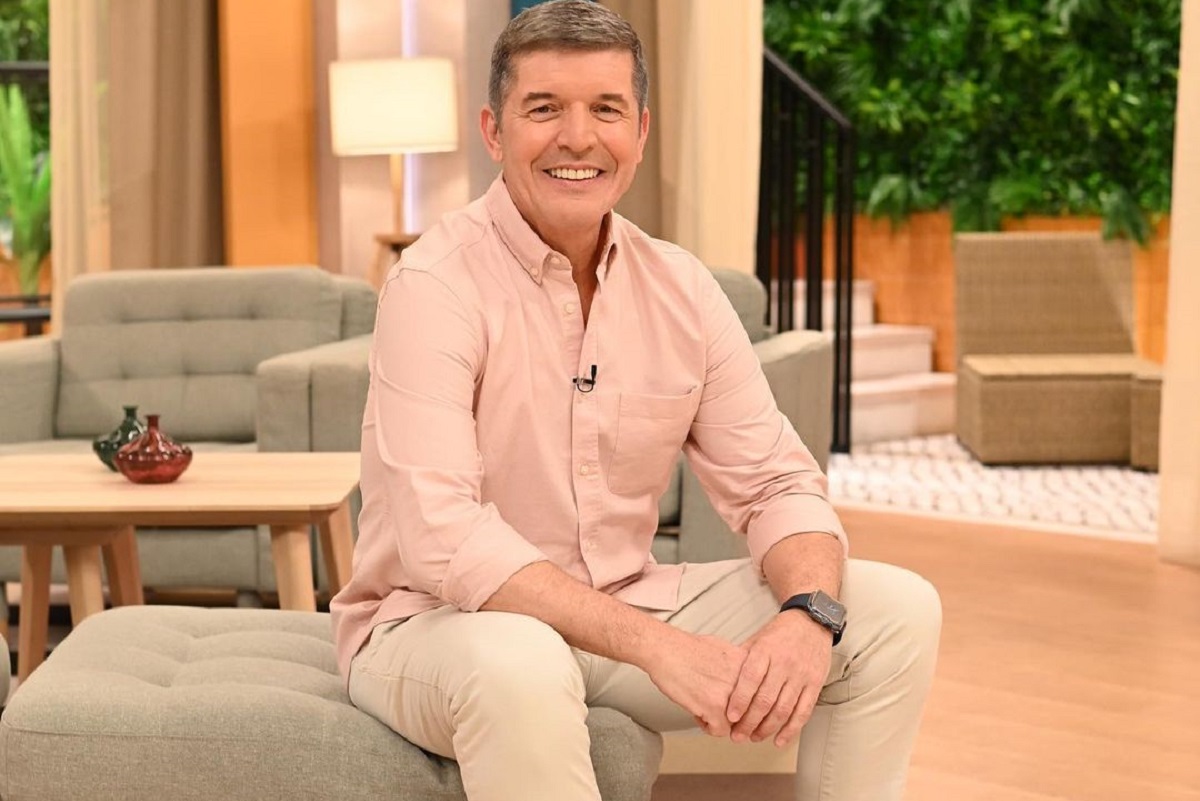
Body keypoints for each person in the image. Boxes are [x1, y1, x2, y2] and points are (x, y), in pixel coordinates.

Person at [330, 2, 941, 799]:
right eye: (543, 109)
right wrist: (657, 647)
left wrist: (808, 612)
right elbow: (442, 537)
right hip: (434, 625)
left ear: (641, 132)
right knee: (521, 659)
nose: (577, 137)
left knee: (896, 610)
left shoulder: (681, 287)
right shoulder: (433, 287)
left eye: (606, 109)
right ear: (493, 131)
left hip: (620, 608)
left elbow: (775, 483)